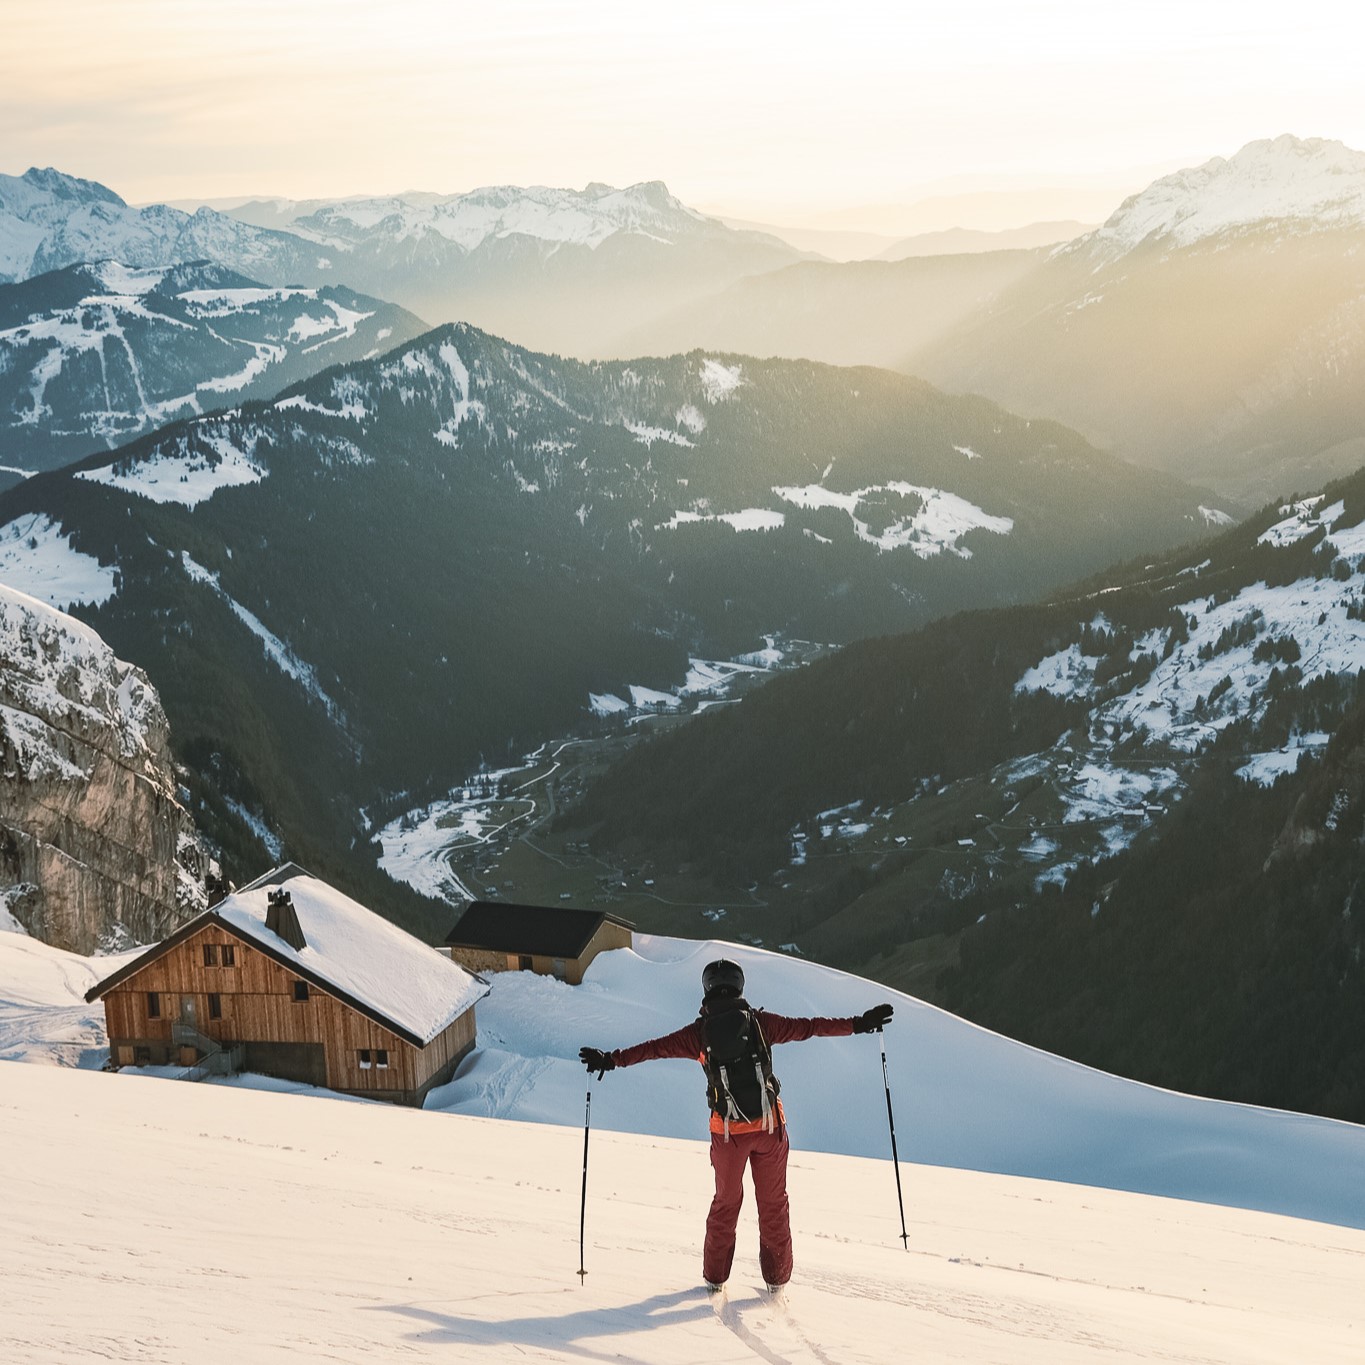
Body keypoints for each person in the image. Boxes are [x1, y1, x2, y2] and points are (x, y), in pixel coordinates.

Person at [579, 957, 893, 1293]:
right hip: (770, 1129)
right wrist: (859, 1023)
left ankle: (714, 1281)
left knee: (726, 1204)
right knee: (773, 1204)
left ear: (707, 990)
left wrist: (612, 1059)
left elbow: (654, 1049)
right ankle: (777, 1281)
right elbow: (811, 1026)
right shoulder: (761, 1024)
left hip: (727, 1135)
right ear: (739, 987)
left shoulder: (697, 1035)